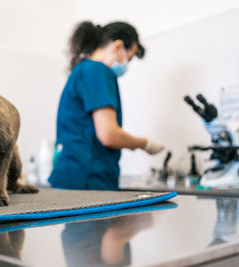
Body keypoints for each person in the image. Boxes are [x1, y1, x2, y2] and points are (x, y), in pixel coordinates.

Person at [48, 21, 164, 190]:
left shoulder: (82, 70)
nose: (126, 65)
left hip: (72, 176)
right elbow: (109, 135)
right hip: (89, 181)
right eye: (129, 59)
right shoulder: (97, 71)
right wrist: (145, 144)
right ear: (118, 46)